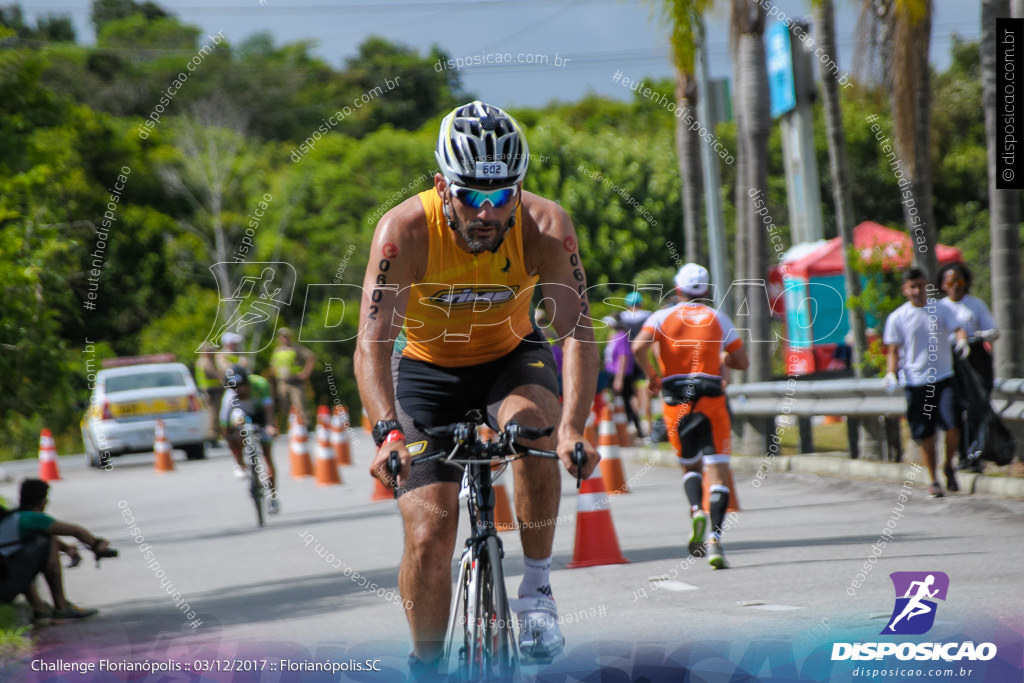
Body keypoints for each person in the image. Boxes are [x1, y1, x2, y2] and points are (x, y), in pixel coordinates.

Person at [354, 101, 600, 674]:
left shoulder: (546, 226)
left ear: (519, 188)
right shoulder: (403, 232)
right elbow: (370, 341)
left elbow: (579, 334)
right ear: (442, 186)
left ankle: (537, 593)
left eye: (501, 195)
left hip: (510, 358)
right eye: (471, 196)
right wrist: (386, 434)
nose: (486, 212)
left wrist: (571, 429)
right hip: (424, 373)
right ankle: (428, 663)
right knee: (429, 533)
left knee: (534, 434)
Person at [632, 263, 748, 570]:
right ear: (706, 290)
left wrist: (653, 376)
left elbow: (638, 347)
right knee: (719, 471)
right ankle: (716, 542)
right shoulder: (718, 318)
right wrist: (722, 357)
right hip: (711, 396)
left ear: (678, 288)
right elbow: (742, 360)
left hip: (676, 398)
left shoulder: (661, 317)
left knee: (690, 467)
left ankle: (697, 510)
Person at [883, 267, 969, 497]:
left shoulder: (939, 309)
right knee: (926, 433)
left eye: (921, 285)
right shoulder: (897, 317)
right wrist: (891, 373)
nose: (917, 291)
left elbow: (958, 328)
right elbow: (893, 349)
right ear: (905, 290)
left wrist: (962, 341)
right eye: (913, 287)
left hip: (943, 378)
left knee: (953, 425)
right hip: (916, 382)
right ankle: (933, 480)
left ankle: (949, 464)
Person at [0, 479, 107, 624]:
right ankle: (61, 607)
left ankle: (39, 608)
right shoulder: (31, 518)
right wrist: (97, 545)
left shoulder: (14, 517)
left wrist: (67, 548)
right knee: (48, 541)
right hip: (6, 582)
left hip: (6, 575)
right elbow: (75, 531)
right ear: (43, 501)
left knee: (25, 552)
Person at [220, 365, 281, 513]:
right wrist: (230, 439)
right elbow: (224, 423)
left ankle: (272, 496)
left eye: (240, 387)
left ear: (247, 383)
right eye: (234, 388)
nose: (238, 391)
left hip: (261, 415)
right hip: (243, 415)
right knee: (235, 426)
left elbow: (268, 408)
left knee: (267, 456)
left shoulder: (260, 384)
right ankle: (241, 464)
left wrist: (270, 425)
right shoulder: (230, 396)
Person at [937, 263, 999, 393]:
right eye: (950, 283)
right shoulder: (940, 307)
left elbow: (993, 330)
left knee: (979, 392)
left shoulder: (975, 304)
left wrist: (984, 335)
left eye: (958, 281)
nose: (955, 286)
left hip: (974, 353)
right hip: (949, 356)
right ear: (943, 285)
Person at [604, 315, 643, 438]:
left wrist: (619, 379)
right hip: (612, 373)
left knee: (627, 401)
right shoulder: (612, 336)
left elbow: (623, 357)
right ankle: (622, 428)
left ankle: (635, 427)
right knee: (617, 402)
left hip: (622, 374)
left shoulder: (621, 336)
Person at [620, 290, 653, 433]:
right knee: (645, 390)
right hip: (643, 356)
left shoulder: (622, 317)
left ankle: (636, 420)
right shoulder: (648, 316)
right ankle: (648, 422)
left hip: (627, 360)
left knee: (631, 393)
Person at [270, 327, 315, 428]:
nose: (284, 339)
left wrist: (306, 373)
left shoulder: (296, 348)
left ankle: (305, 426)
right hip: (282, 382)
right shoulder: (277, 351)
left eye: (286, 337)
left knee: (299, 405)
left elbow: (311, 356)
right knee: (284, 406)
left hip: (295, 382)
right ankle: (291, 427)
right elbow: (273, 367)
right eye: (282, 337)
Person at [195, 342, 224, 444]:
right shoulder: (204, 362)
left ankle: (215, 436)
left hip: (213, 390)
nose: (212, 353)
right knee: (213, 414)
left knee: (215, 413)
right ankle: (212, 437)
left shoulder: (207, 361)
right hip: (210, 391)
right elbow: (215, 374)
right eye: (210, 351)